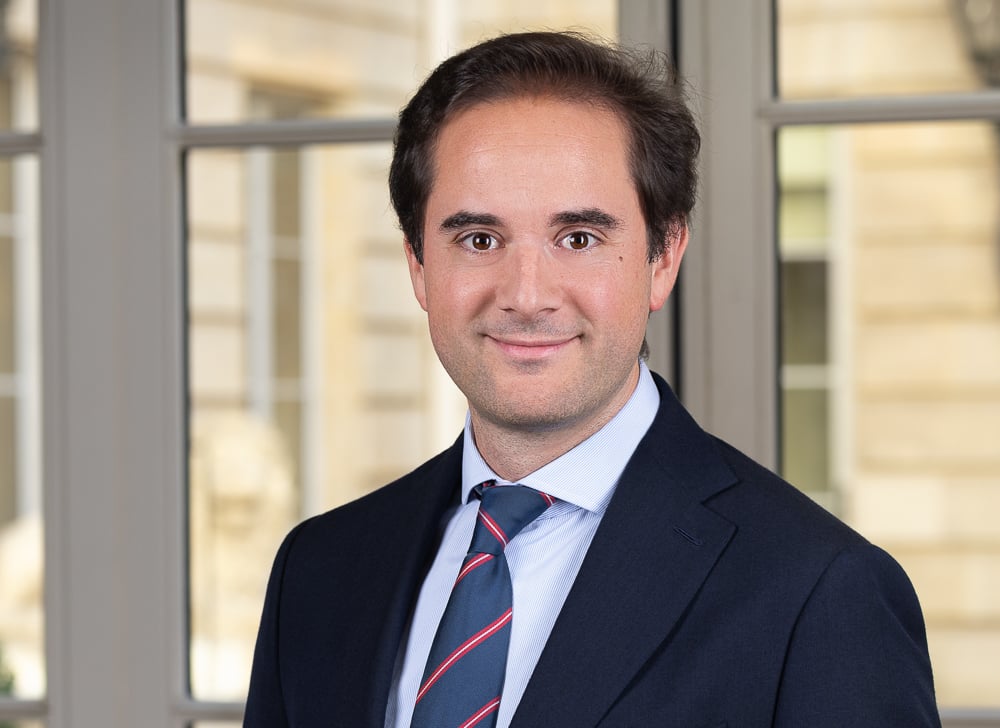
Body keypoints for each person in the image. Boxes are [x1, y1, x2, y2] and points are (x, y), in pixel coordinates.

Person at [243, 31, 940, 727]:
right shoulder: (318, 571)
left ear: (663, 259)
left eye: (578, 239)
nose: (526, 295)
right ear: (418, 265)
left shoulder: (820, 592)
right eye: (479, 240)